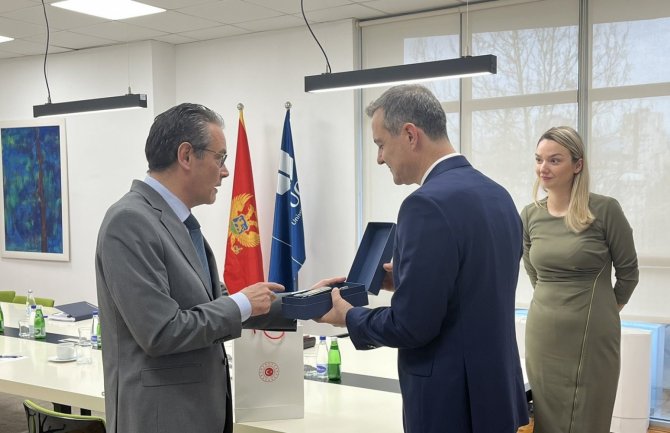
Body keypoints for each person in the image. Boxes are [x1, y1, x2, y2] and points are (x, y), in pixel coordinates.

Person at [318, 84, 529, 433]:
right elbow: (475, 285)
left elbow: (411, 326)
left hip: (451, 405)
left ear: (410, 135)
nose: (379, 158)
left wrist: (349, 316)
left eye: (381, 144)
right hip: (495, 396)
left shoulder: (424, 205)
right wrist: (406, 280)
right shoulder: (499, 196)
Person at [95, 103, 294, 433]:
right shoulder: (129, 221)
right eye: (220, 158)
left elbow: (217, 304)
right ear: (186, 156)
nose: (225, 172)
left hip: (196, 411)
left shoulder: (180, 222)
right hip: (161, 418)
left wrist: (310, 302)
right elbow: (161, 332)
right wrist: (242, 303)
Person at [521, 126, 639, 433]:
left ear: (578, 165)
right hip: (543, 333)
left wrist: (605, 308)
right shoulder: (530, 215)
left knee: (588, 418)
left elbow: (628, 273)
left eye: (554, 160)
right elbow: (534, 271)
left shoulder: (605, 209)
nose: (543, 168)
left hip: (592, 332)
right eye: (539, 159)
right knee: (546, 417)